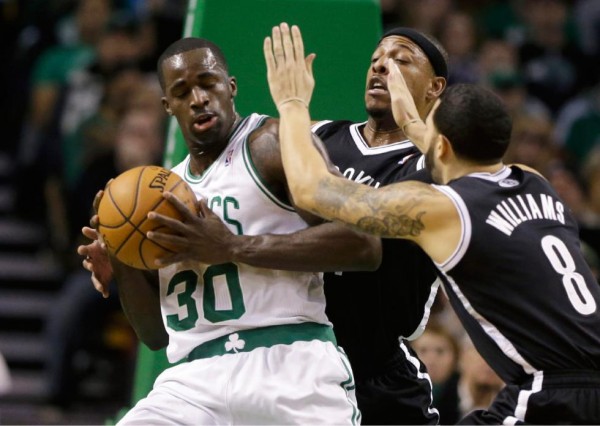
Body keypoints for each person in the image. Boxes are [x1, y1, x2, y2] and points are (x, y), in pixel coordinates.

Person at [265, 23, 600, 424]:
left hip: (551, 393)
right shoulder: (535, 181)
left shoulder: (444, 207)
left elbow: (311, 191)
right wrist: (413, 117)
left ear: (439, 146)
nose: (382, 67)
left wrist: (292, 103)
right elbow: (455, 157)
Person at [77, 36, 382, 424]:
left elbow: (364, 244)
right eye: (182, 92)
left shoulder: (271, 144)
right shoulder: (157, 197)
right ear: (168, 105)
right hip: (194, 380)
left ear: (231, 86)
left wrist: (234, 246)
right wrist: (123, 258)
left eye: (208, 83)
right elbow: (154, 335)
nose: (198, 99)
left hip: (290, 363)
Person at [310, 26, 447, 424]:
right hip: (301, 354)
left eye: (401, 60)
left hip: (376, 368)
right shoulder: (321, 136)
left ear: (435, 87)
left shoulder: (440, 164)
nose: (381, 67)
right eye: (375, 61)